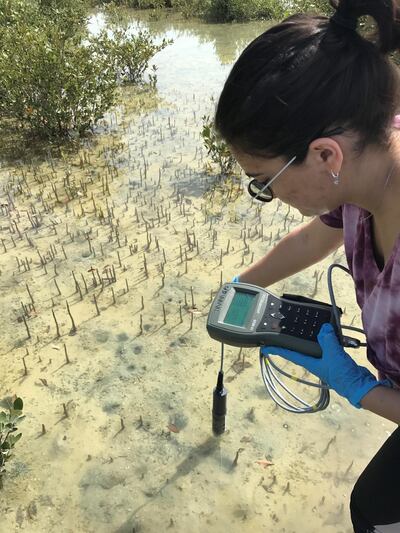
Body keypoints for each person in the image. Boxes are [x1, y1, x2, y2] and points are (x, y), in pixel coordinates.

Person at [215, 0, 400, 531]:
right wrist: (242, 284)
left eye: (263, 182)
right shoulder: (372, 156)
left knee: (374, 511)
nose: (264, 194)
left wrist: (359, 388)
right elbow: (316, 238)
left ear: (325, 156)